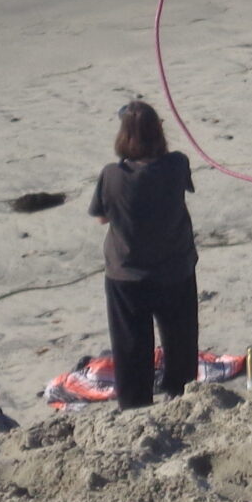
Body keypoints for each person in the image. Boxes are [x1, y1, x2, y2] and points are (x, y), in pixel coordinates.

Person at [88, 99, 199, 408]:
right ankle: (181, 394)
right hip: (174, 270)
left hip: (128, 274)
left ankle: (136, 403)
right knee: (181, 341)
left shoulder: (112, 175)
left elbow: (101, 217)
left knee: (131, 346)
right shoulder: (177, 164)